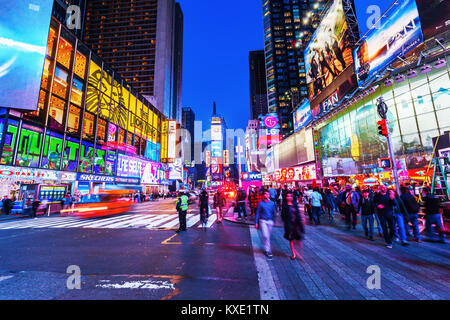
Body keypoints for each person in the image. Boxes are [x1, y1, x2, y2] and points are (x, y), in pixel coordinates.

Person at [281, 191, 305, 260]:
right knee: (291, 239)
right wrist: (286, 223)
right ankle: (294, 254)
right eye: (288, 196)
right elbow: (283, 216)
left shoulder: (294, 204)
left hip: (296, 224)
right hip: (289, 225)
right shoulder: (285, 205)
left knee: (298, 239)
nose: (289, 197)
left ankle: (300, 253)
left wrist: (301, 221)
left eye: (290, 196)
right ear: (286, 197)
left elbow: (298, 214)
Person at [255, 190, 277, 259]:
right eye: (266, 194)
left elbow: (274, 212)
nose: (267, 195)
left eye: (268, 194)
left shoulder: (272, 203)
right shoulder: (260, 203)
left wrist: (274, 220)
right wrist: (256, 222)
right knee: (265, 235)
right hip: (263, 221)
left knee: (268, 236)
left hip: (270, 221)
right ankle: (268, 250)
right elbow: (257, 213)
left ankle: (266, 247)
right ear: (263, 195)